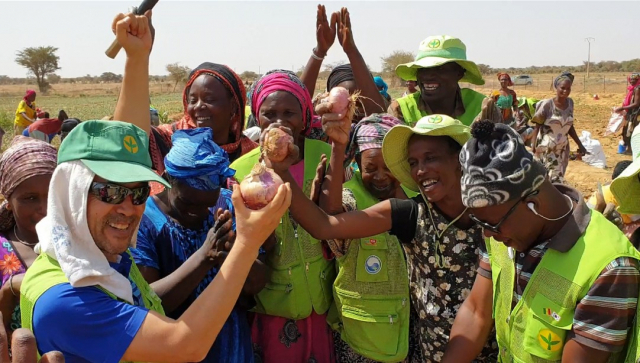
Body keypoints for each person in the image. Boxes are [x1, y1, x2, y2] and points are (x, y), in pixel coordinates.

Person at [20, 11, 292, 362]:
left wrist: (137, 59)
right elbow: (184, 345)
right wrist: (247, 241)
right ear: (72, 195)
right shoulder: (69, 299)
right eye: (109, 192)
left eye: (137, 193)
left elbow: (125, 147)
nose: (128, 208)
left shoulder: (91, 254)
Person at [261, 114, 499, 362]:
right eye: (413, 162)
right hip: (433, 355)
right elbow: (325, 226)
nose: (420, 170)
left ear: (460, 160)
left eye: (431, 158)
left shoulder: (493, 216)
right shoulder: (411, 214)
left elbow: (481, 311)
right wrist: (281, 171)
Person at [443, 120, 640, 363]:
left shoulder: (609, 267)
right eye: (480, 224)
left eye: (491, 225)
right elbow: (476, 311)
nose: (487, 235)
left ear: (533, 204)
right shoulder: (501, 229)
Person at [131, 128, 266, 362]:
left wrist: (236, 251)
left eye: (207, 204)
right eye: (187, 203)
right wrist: (205, 257)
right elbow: (150, 304)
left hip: (232, 346)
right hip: (176, 349)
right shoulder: (146, 222)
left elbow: (259, 283)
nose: (199, 212)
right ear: (168, 178)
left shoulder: (228, 204)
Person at [230, 69, 336, 363]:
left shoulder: (324, 155)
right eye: (269, 113)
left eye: (289, 112)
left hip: (323, 298)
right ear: (257, 118)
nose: (279, 121)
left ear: (304, 118)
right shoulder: (241, 170)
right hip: (273, 303)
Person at [316, 113, 412, 362]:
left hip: (411, 331)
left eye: (389, 167)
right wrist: (338, 149)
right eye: (371, 168)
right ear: (357, 162)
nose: (381, 175)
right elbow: (334, 215)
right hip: (364, 338)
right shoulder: (351, 196)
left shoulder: (415, 194)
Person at [0, 137, 56, 340]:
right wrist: (8, 291)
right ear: (8, 201)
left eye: (53, 195)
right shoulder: (2, 251)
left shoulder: (85, 242)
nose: (45, 208)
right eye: (30, 198)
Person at [389, 35, 500, 126]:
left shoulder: (483, 108)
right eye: (422, 68)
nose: (428, 76)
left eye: (439, 68)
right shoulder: (400, 109)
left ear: (459, 73)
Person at [301, 6, 386, 122]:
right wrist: (319, 51)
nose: (353, 111)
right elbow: (296, 107)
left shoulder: (370, 135)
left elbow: (380, 117)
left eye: (359, 104)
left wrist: (352, 50)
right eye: (343, 103)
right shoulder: (320, 133)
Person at [531, 72, 588, 183]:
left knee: (556, 176)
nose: (565, 91)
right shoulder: (547, 105)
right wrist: (533, 146)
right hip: (546, 147)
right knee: (550, 178)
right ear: (556, 87)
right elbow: (537, 126)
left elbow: (570, 126)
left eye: (568, 88)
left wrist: (580, 144)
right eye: (562, 88)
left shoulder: (570, 103)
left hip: (562, 148)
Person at [616, 73, 640, 153]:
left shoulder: (637, 89)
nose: (632, 81)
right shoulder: (633, 88)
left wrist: (622, 108)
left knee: (630, 131)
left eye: (635, 80)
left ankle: (630, 149)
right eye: (631, 79)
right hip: (633, 112)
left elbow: (636, 103)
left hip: (635, 113)